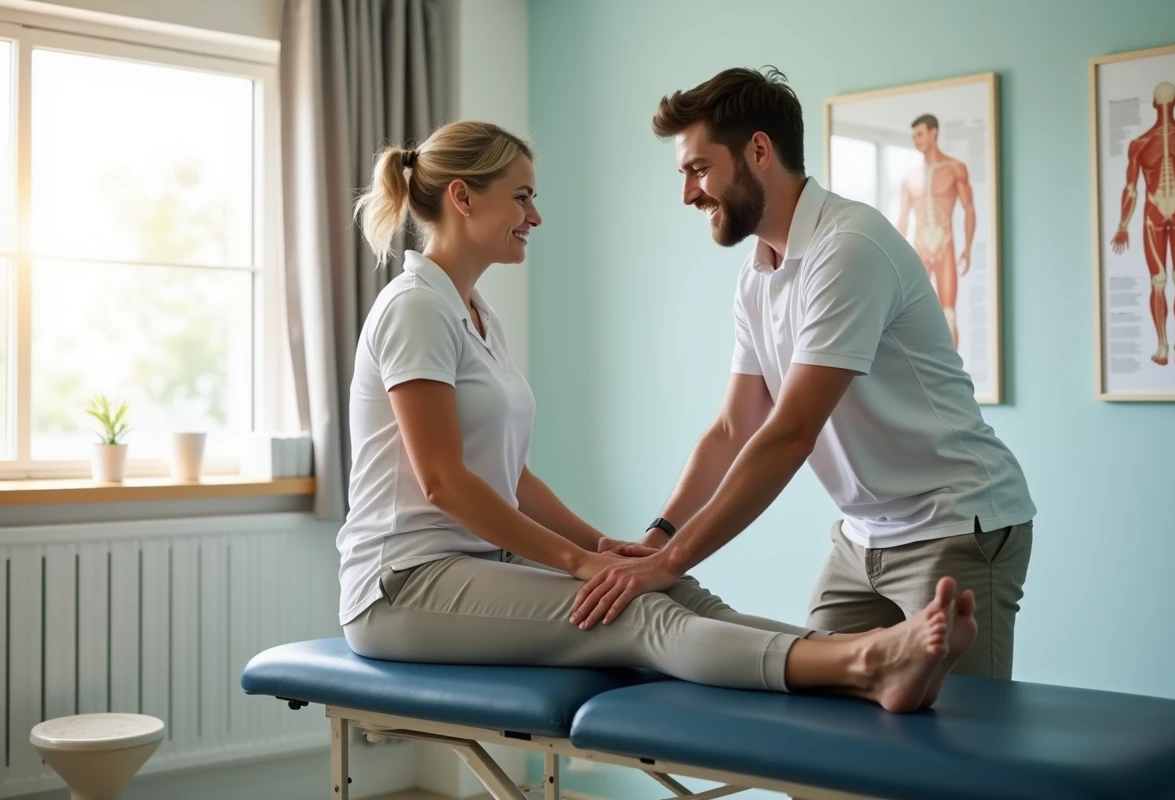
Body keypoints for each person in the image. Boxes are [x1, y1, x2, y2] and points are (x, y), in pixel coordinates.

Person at [335, 118, 976, 714]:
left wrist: (601, 547)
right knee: (635, 616)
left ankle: (869, 660)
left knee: (671, 591)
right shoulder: (415, 308)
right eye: (521, 197)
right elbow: (444, 482)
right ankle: (866, 661)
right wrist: (575, 562)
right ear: (463, 197)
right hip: (400, 585)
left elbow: (510, 477)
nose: (536, 216)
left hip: (473, 565)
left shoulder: (475, 314)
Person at [574, 67, 1036, 681]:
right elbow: (733, 428)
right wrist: (659, 537)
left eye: (699, 169)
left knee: (955, 730)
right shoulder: (757, 273)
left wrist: (672, 562)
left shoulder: (848, 247)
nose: (688, 195)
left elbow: (790, 432)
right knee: (820, 709)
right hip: (862, 537)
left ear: (758, 151)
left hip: (955, 523)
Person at [1111, 80, 1175, 367]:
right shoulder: (1147, 143)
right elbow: (1131, 188)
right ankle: (1169, 346)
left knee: (1173, 280)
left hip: (1169, 212)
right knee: (1166, 280)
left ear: (1154, 103)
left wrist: (1123, 225)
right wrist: (1122, 225)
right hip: (1165, 214)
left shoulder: (1152, 142)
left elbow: (1131, 189)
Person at [895, 113, 975, 349]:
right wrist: (896, 255)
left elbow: (969, 209)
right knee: (914, 315)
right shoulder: (909, 177)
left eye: (920, 134)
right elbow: (903, 217)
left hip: (944, 244)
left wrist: (968, 248)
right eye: (914, 136)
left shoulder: (955, 168)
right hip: (920, 245)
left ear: (933, 133)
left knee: (948, 313)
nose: (916, 140)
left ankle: (952, 368)